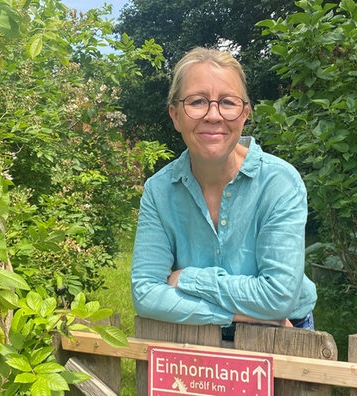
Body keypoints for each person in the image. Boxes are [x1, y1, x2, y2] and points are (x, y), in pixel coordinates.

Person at [130, 47, 316, 336]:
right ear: (176, 115)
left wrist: (187, 279)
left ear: (244, 114)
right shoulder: (159, 190)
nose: (213, 115)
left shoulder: (280, 183)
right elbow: (145, 294)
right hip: (197, 331)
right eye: (197, 101)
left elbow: (279, 297)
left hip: (282, 333)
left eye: (228, 102)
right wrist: (237, 315)